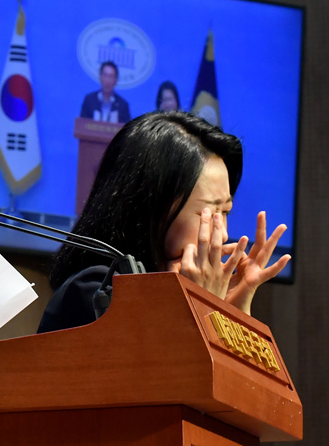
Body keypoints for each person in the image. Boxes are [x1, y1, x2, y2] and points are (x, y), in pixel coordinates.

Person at [38, 111, 290, 332]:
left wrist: (234, 315)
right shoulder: (97, 291)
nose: (223, 234)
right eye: (210, 212)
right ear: (150, 207)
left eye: (226, 212)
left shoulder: (164, 288)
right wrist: (203, 307)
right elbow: (169, 370)